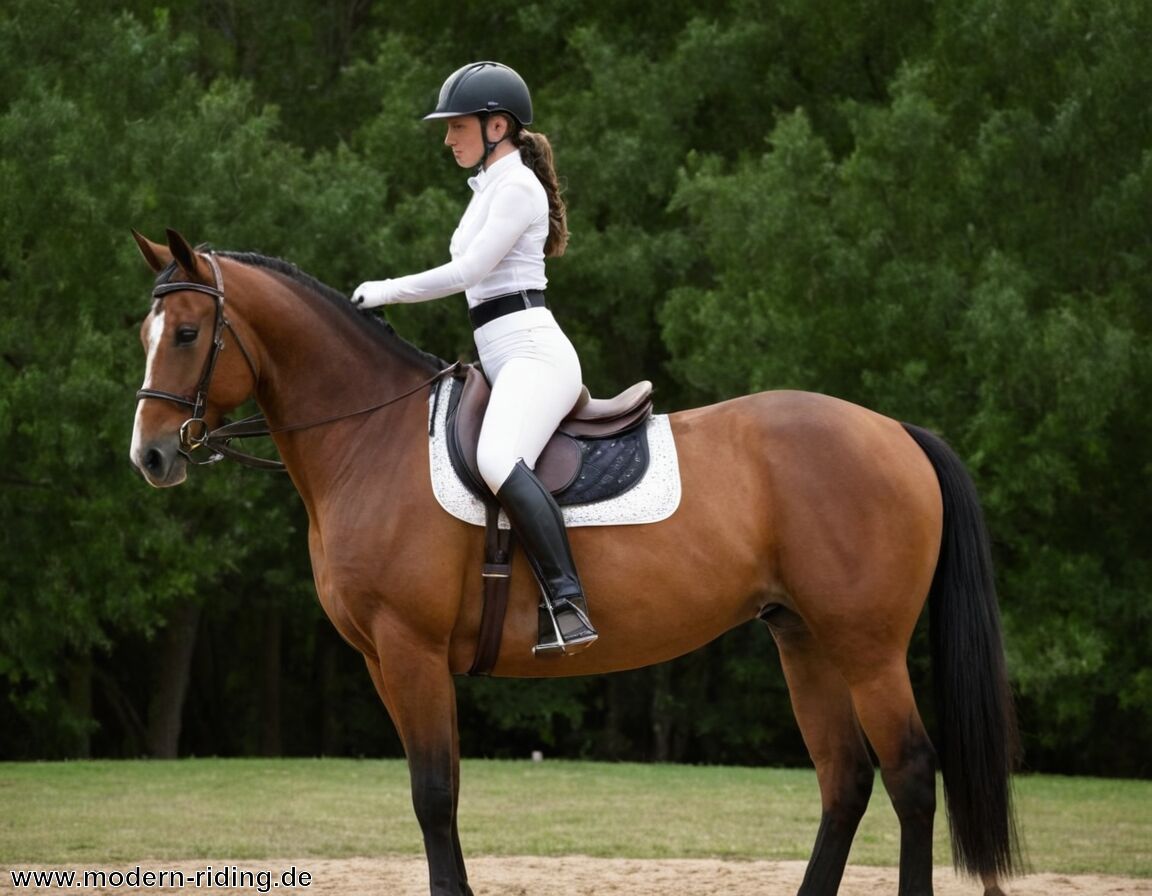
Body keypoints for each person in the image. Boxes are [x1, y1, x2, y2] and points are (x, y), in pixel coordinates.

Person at [352, 61, 597, 656]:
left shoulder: (516, 186)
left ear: (497, 126)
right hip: (503, 353)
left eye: (456, 125)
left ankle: (567, 601)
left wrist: (386, 289)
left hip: (534, 354)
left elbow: (469, 272)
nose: (447, 138)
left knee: (495, 457)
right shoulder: (490, 187)